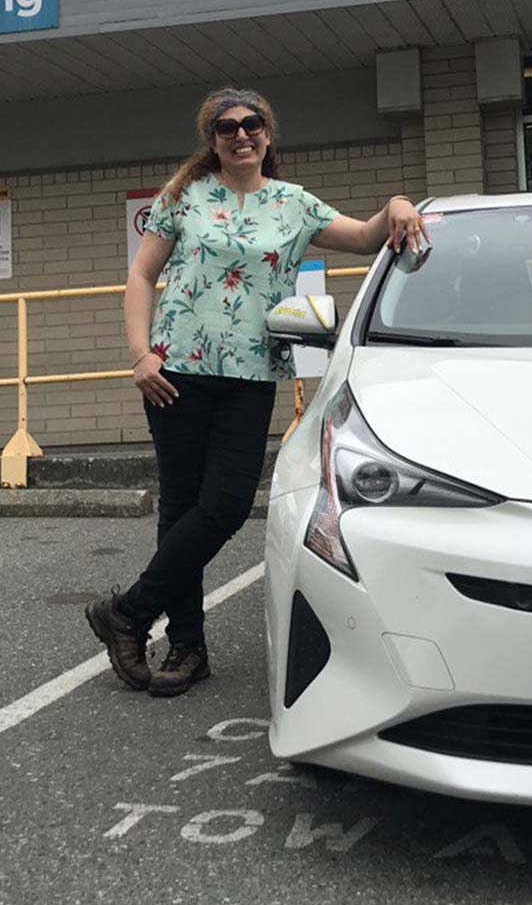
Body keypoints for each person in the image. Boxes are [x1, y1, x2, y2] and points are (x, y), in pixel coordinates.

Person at [85, 86, 427, 697]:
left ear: (268, 135)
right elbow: (141, 274)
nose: (241, 135)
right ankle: (187, 646)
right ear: (211, 138)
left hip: (250, 375)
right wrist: (139, 354)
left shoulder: (293, 204)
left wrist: (398, 203)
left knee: (226, 503)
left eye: (252, 125)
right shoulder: (184, 195)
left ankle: (129, 612)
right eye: (227, 127)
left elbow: (366, 234)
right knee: (181, 505)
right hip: (175, 370)